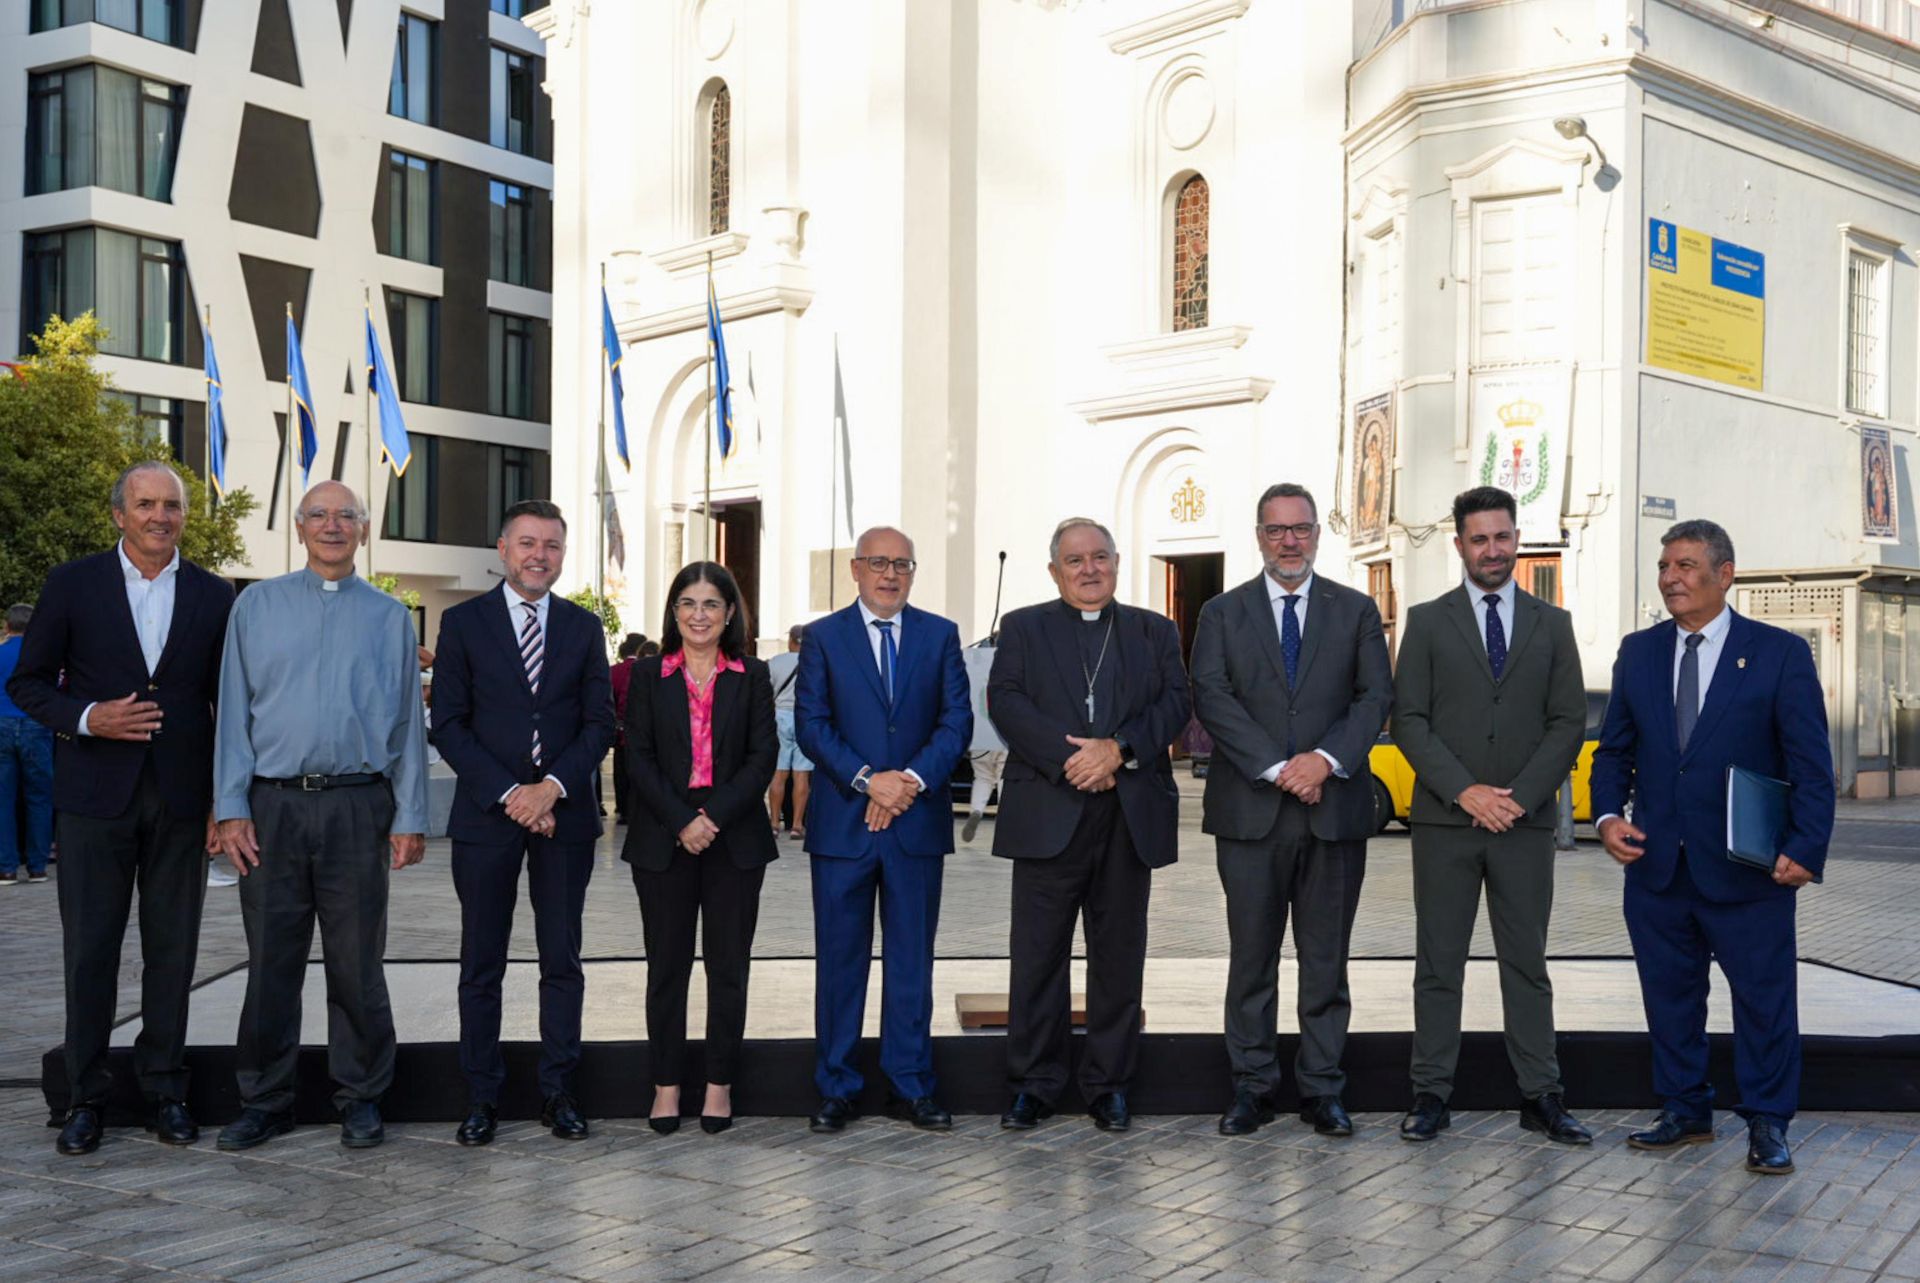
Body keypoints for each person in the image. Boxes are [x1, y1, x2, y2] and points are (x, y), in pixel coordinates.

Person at [1593, 520, 1834, 1176]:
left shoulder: (1779, 653)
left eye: (1687, 565)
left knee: (1764, 998)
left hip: (1749, 871)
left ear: (1725, 574)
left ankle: (1767, 1121)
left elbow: (1811, 761)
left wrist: (1807, 845)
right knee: (1669, 995)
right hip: (1657, 870)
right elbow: (1615, 749)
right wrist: (1609, 816)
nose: (1671, 576)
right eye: (1666, 564)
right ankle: (1685, 1107)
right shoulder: (1638, 652)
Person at [7, 461, 234, 1155]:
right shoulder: (72, 584)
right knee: (90, 953)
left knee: (173, 953)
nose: (159, 515)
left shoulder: (215, 593)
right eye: (145, 504)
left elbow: (229, 706)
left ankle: (166, 1090)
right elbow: (28, 682)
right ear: (118, 514)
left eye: (171, 505)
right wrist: (86, 717)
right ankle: (85, 1099)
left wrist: (223, 804)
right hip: (92, 800)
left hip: (181, 802)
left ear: (183, 516)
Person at [211, 481, 430, 1152]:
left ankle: (361, 1096)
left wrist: (410, 813)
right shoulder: (255, 606)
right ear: (300, 528)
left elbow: (406, 726)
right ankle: (264, 1099)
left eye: (346, 516)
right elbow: (232, 715)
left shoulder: (391, 617)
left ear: (364, 531)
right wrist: (229, 806)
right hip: (271, 807)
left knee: (357, 963)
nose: (332, 526)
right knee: (270, 961)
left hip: (357, 806)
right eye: (319, 516)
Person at [1190, 484, 1392, 1138]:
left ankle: (1323, 1088)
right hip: (1251, 813)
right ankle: (1252, 1087)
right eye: (1277, 529)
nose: (1289, 540)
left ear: (1315, 534)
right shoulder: (1221, 613)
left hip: (1333, 813)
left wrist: (1324, 760)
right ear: (1258, 535)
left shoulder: (1356, 609)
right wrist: (1280, 766)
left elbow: (1374, 696)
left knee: (1326, 960)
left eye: (1301, 528)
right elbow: (1212, 696)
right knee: (1251, 958)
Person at [1392, 486, 1590, 1145]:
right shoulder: (1425, 621)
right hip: (1447, 823)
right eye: (1479, 539)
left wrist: (1521, 797)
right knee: (1438, 961)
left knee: (1526, 961)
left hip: (1524, 825)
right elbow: (1409, 721)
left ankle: (1542, 1093)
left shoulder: (1552, 623)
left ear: (1516, 537)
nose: (1493, 550)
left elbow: (1567, 723)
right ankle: (1430, 1094)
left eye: (1502, 536)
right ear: (1459, 545)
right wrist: (1467, 791)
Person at [987, 518, 1189, 1132]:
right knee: (1038, 957)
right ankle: (1035, 1083)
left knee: (1119, 957)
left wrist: (1118, 750)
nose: (1089, 569)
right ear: (1055, 571)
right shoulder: (1023, 627)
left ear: (1118, 563)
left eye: (1100, 557)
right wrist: (1076, 760)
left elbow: (1176, 703)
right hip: (1050, 807)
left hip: (1128, 814)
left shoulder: (1155, 631)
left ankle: (1109, 1084)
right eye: (1074, 560)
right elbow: (1006, 701)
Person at [429, 500, 615, 1147]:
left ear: (563, 554)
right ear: (504, 549)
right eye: (529, 543)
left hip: (564, 819)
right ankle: (482, 1096)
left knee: (561, 960)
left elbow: (601, 723)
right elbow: (447, 722)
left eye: (553, 545)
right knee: (481, 963)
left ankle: (559, 1091)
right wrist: (512, 792)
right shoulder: (462, 624)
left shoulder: (585, 628)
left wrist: (551, 788)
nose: (541, 555)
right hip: (487, 818)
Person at [795, 526, 972, 1133]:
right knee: (839, 963)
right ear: (855, 569)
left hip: (915, 825)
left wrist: (910, 783)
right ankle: (837, 1087)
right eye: (878, 562)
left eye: (902, 563)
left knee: (910, 963)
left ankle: (911, 1085)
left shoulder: (940, 636)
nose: (890, 574)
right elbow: (813, 725)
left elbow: (956, 722)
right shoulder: (822, 638)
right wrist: (871, 781)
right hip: (845, 827)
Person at [623, 562, 777, 1135]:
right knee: (666, 969)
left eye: (712, 604)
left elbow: (763, 757)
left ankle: (718, 1085)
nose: (699, 615)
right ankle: (666, 1086)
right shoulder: (648, 675)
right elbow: (635, 756)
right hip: (663, 837)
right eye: (687, 603)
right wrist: (683, 819)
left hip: (734, 838)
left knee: (727, 968)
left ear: (730, 613)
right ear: (673, 611)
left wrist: (711, 817)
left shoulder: (752, 675)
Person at [0, 603, 54, 887]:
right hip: (35, 724)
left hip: (1, 724)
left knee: (3, 799)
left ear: (7, 626)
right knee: (40, 798)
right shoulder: (40, 657)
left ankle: (6, 868)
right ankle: (37, 866)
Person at [767, 623, 812, 839]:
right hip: (803, 717)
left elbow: (766, 693)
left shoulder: (775, 662)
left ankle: (775, 823)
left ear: (791, 641)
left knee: (779, 773)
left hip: (780, 717)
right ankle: (796, 825)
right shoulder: (812, 663)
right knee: (801, 775)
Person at [610, 633, 644, 823]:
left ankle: (622, 808)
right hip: (640, 732)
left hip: (621, 731)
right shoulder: (647, 669)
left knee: (621, 771)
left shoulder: (614, 671)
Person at [961, 750, 1005, 845]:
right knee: (1003, 777)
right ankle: (1005, 815)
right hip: (1004, 741)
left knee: (982, 778)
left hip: (981, 743)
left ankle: (977, 810)